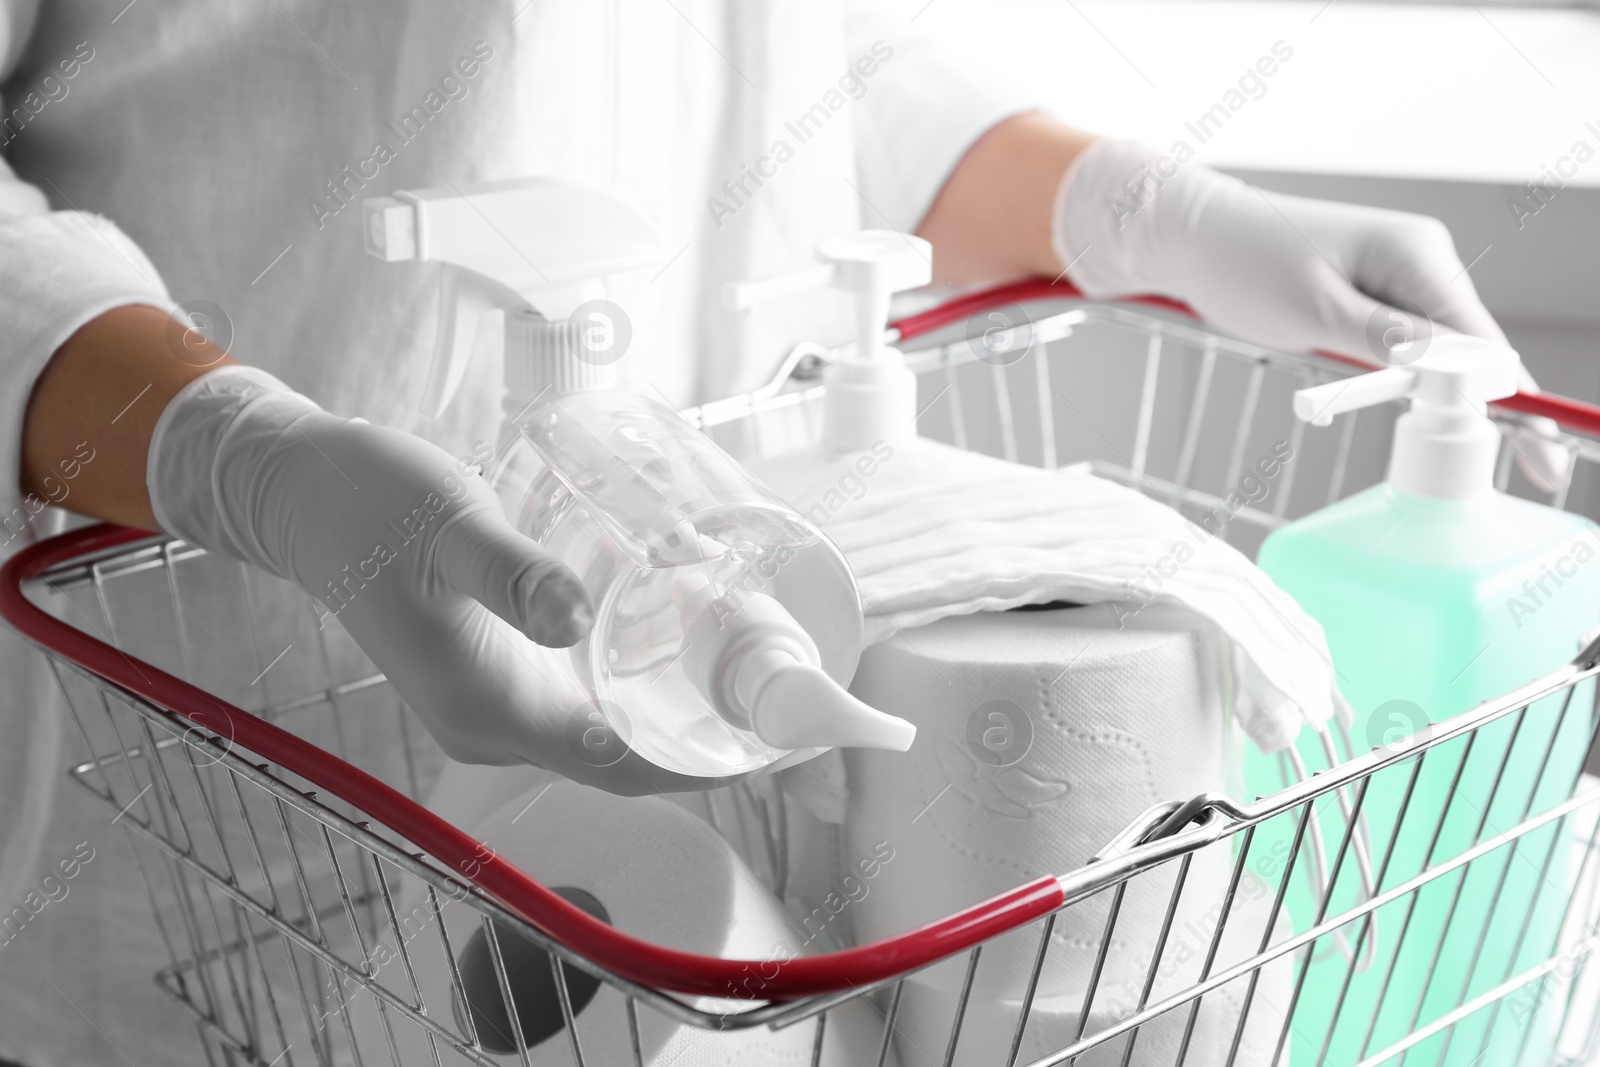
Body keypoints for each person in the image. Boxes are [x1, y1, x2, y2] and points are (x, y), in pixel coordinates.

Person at [0, 1, 1521, 1063]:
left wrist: (1140, 214)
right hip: (228, 751)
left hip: (708, 701)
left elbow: (793, 49)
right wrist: (240, 456)